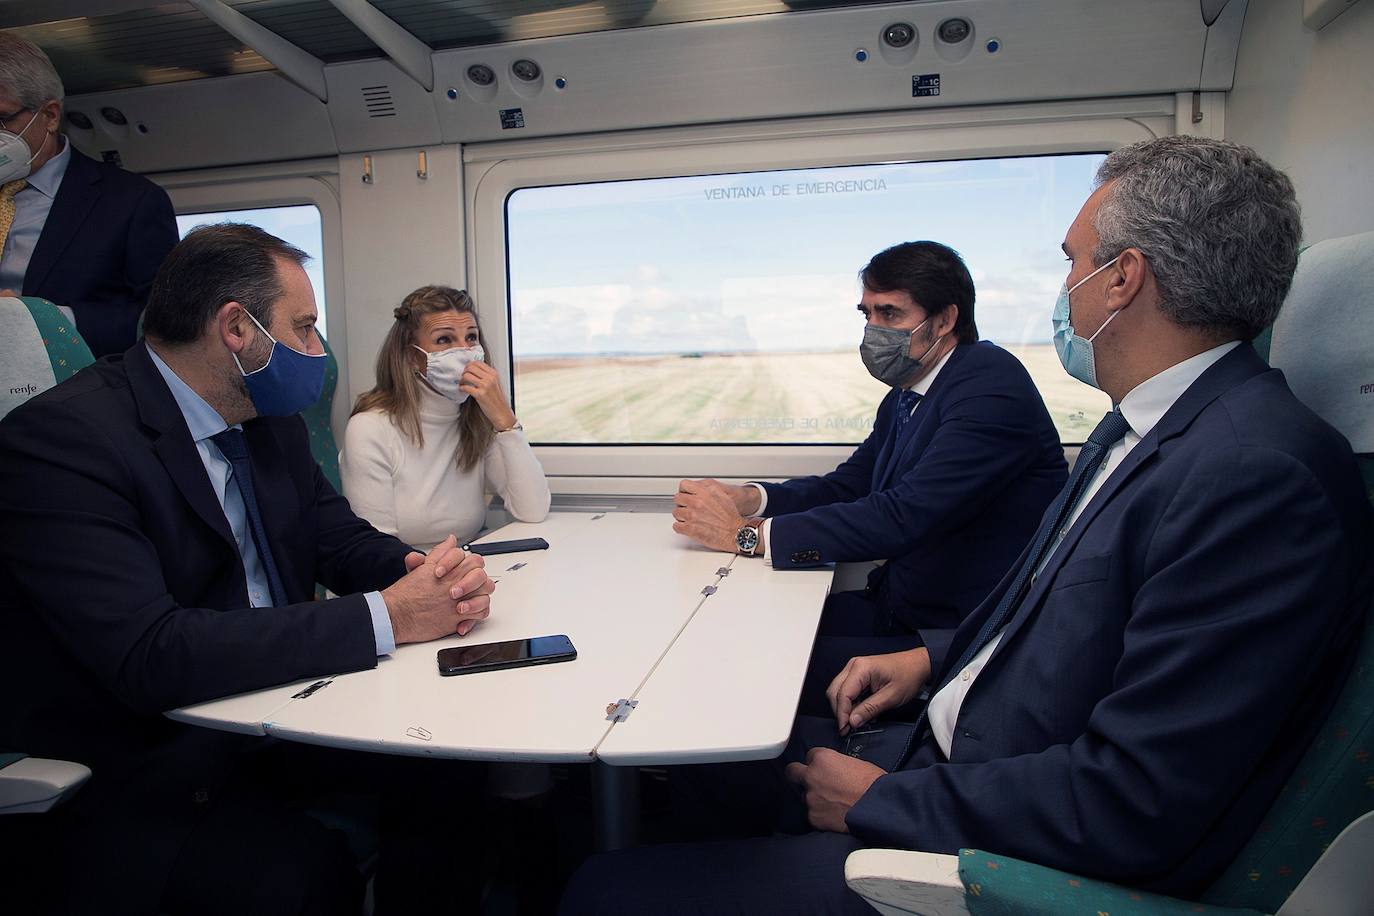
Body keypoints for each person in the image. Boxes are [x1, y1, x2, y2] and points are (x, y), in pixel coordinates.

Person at [561, 137, 1374, 914]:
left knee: (601, 890)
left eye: (1070, 261)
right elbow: (1064, 614)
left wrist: (888, 800)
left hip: (993, 847)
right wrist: (928, 659)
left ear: (1123, 278)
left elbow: (1136, 800)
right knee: (731, 750)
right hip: (965, 742)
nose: (1064, 287)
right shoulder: (1146, 430)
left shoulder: (1256, 475)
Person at [0, 224, 498, 915]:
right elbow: (151, 654)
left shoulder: (267, 421)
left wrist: (423, 569)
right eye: (302, 328)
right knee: (296, 877)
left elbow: (337, 540)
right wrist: (391, 614)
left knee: (451, 773)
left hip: (279, 705)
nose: (316, 352)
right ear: (236, 328)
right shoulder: (64, 443)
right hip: (159, 758)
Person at [673, 241, 1066, 710]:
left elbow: (903, 516)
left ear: (944, 320)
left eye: (890, 314)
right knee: (732, 625)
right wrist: (752, 499)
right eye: (867, 315)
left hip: (952, 638)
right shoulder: (908, 393)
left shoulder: (989, 381)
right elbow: (851, 484)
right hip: (899, 608)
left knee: (737, 663)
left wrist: (745, 537)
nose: (872, 330)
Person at [0, 32, 178, 358]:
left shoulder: (131, 202)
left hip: (75, 393)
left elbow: (164, 324)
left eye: (1, 119)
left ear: (50, 115)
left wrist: (47, 321)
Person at [342, 285, 550, 550]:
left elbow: (532, 510)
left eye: (471, 337)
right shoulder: (370, 428)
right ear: (411, 356)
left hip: (468, 565)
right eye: (444, 340)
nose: (465, 351)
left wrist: (505, 421)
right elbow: (377, 551)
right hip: (404, 575)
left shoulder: (476, 419)